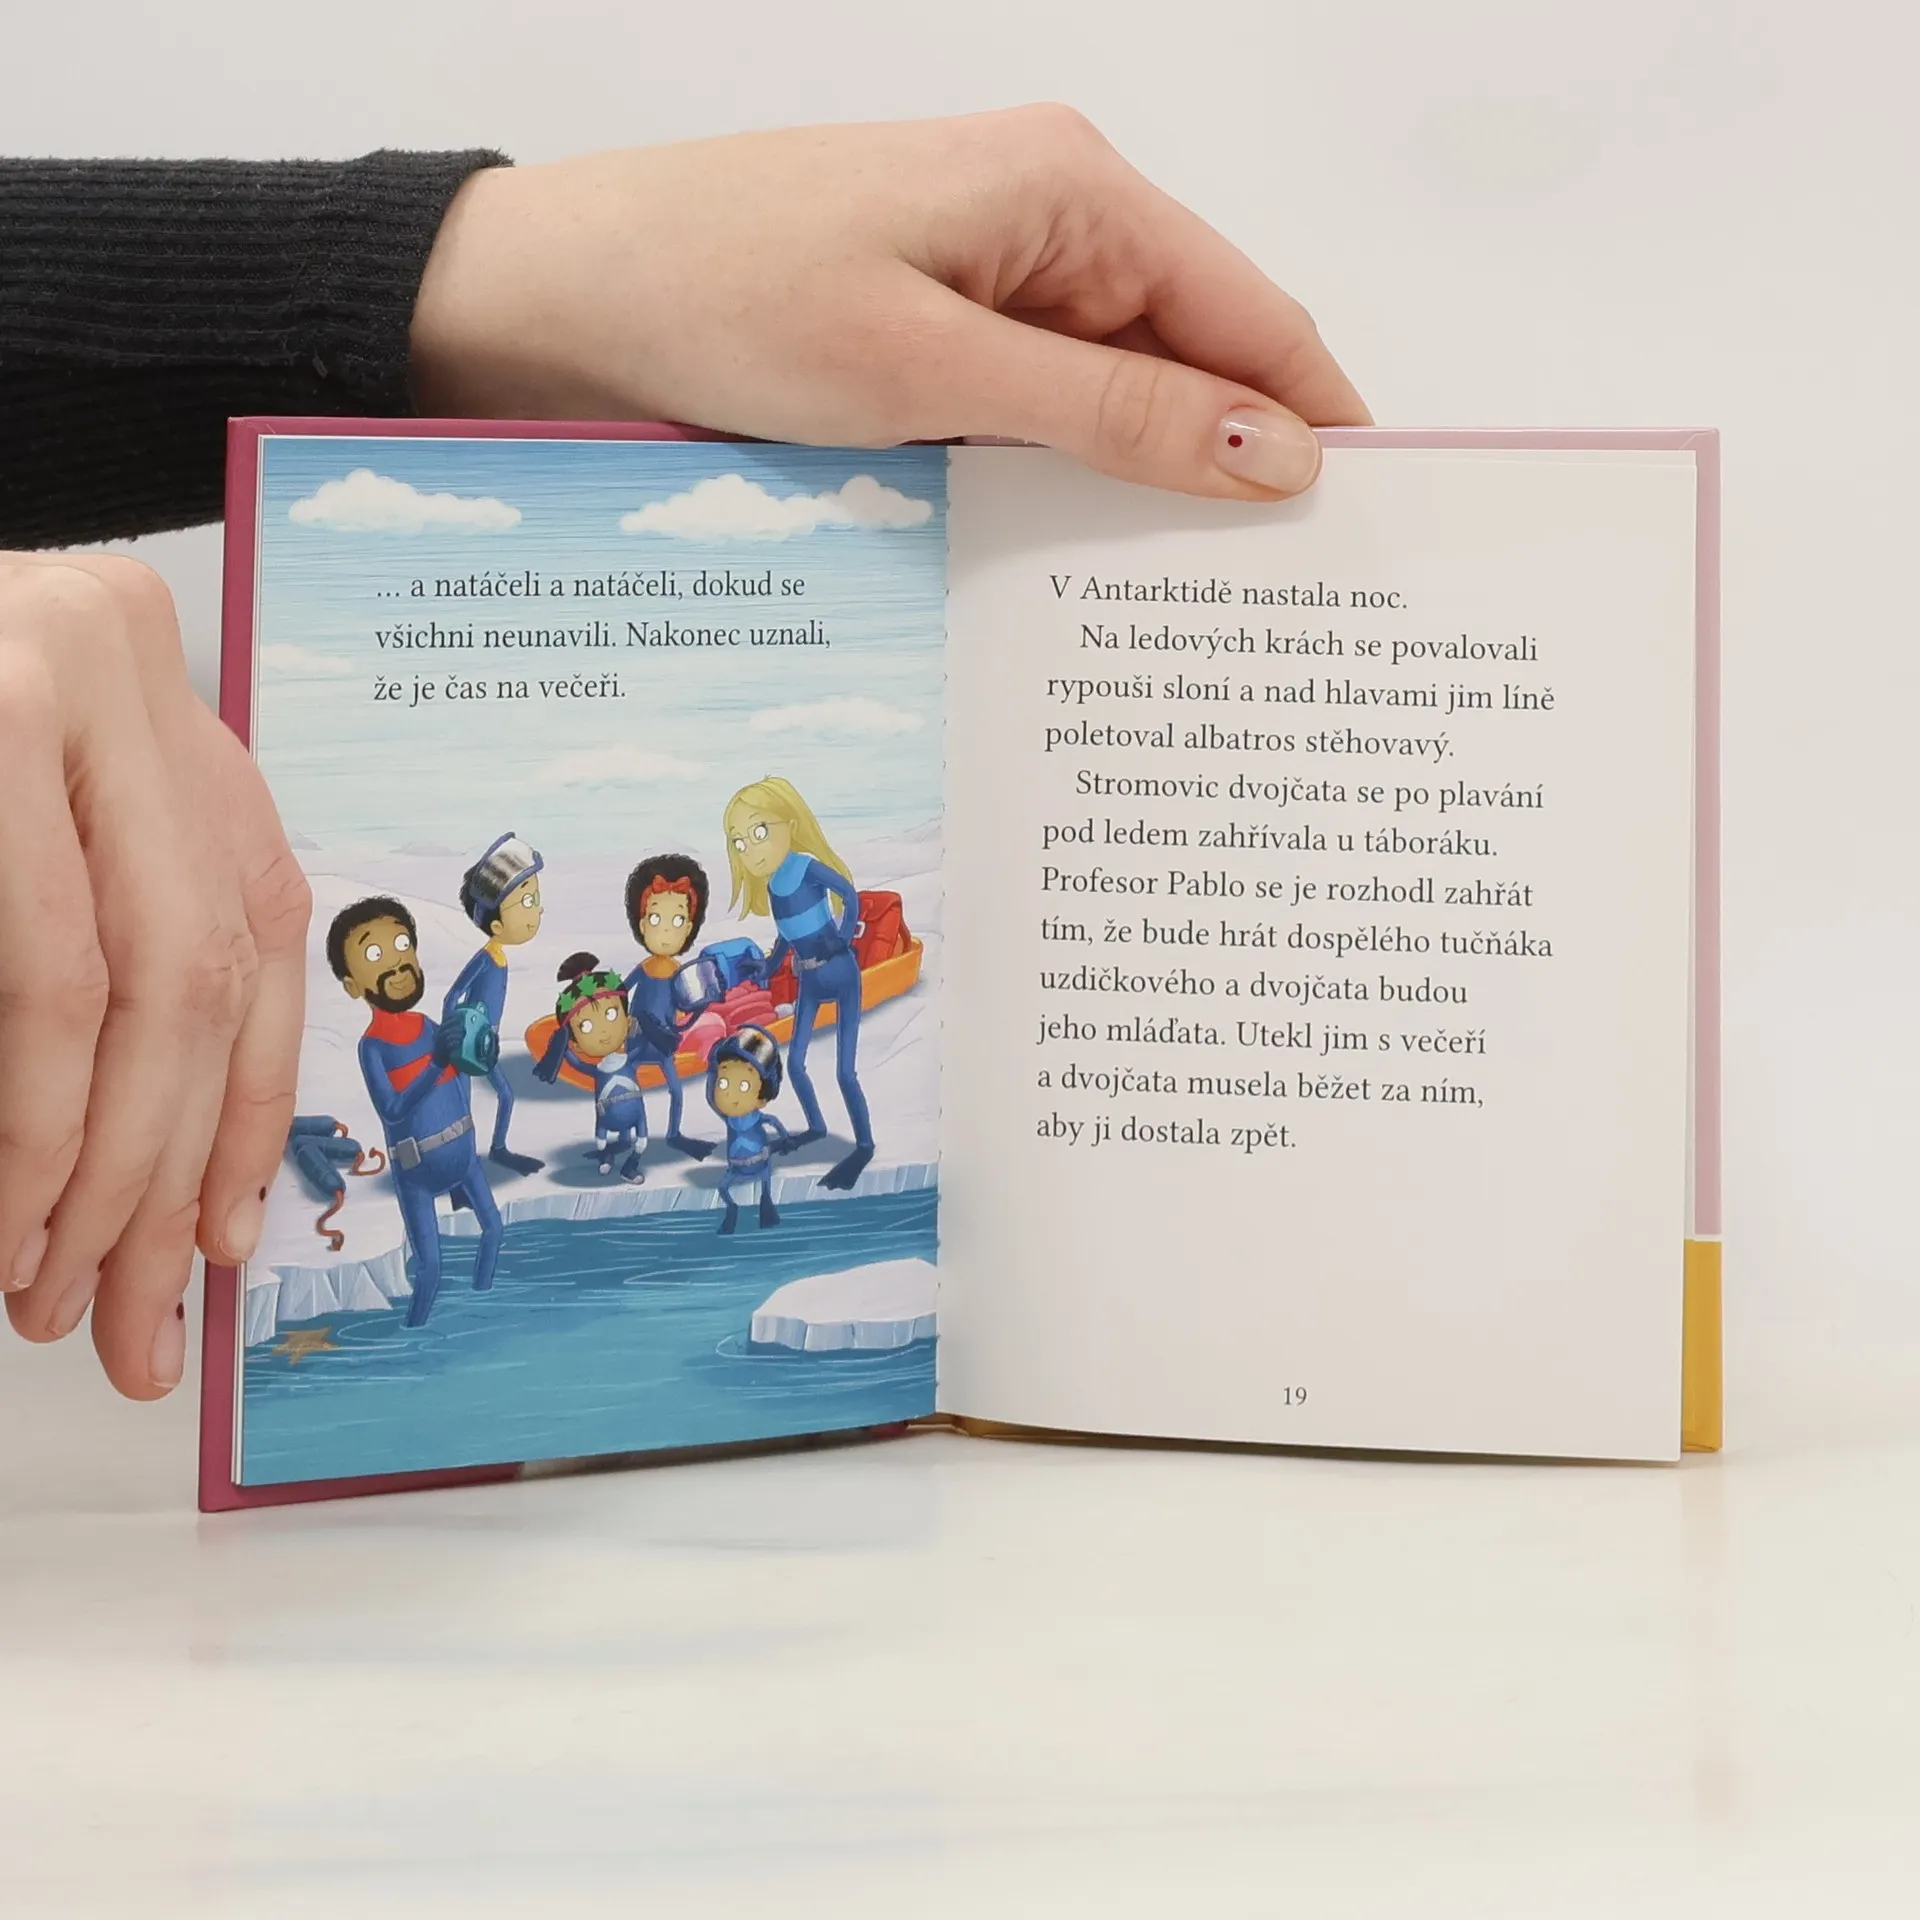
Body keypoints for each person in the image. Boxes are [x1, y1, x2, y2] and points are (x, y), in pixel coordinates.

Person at [0, 107, 1367, 1399]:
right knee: (559, 1151)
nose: (730, 868)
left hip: (770, 1015)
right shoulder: (527, 985)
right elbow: (539, 1025)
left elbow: (790, 952)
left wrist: (485, 277)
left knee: (780, 1078)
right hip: (572, 1083)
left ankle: (803, 1155)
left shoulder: (792, 900)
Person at [326, 897, 504, 1328]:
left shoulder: (427, 1025)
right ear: (352, 985)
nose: (397, 962)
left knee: (495, 1230)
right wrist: (437, 1065)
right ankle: (416, 1334)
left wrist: (478, 1052)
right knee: (431, 1267)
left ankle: (486, 1307)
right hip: (417, 1173)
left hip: (464, 1158)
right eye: (374, 953)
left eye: (403, 944)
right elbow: (391, 1109)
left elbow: (463, 1074)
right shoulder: (373, 1047)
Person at [724, 778, 873, 1191]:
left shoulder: (805, 867)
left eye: (758, 832)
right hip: (808, 977)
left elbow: (848, 893)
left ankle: (864, 1145)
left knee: (845, 1072)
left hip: (841, 972)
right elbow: (785, 938)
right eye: (740, 843)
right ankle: (816, 1127)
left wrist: (843, 937)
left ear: (789, 824)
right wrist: (766, 968)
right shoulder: (773, 886)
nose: (750, 850)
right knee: (794, 1065)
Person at [444, 831, 547, 1176]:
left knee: (505, 1095)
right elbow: (452, 996)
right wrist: (453, 1038)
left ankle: (497, 1149)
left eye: (535, 900)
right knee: (463, 1105)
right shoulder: (486, 958)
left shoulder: (499, 958)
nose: (538, 909)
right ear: (498, 924)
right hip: (468, 1045)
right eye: (527, 902)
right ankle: (463, 1161)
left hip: (486, 1044)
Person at [619, 854, 719, 1159]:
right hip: (637, 1038)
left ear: (688, 927)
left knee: (675, 1089)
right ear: (641, 923)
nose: (664, 931)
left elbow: (688, 1007)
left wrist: (700, 1007)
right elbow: (620, 994)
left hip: (663, 1042)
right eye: (655, 919)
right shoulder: (644, 967)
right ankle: (626, 1135)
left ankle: (674, 1133)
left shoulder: (680, 972)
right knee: (627, 1086)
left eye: (676, 921)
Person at [533, 953, 653, 1182]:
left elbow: (644, 1046)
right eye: (586, 1026)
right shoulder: (600, 1070)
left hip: (637, 1117)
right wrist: (562, 1048)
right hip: (607, 1119)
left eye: (611, 1014)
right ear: (576, 1041)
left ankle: (629, 1167)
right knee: (601, 1142)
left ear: (626, 1018)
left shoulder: (628, 1060)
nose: (604, 1031)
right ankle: (606, 1156)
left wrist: (647, 1027)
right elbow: (577, 1063)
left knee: (641, 1143)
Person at [706, 1028, 793, 1236]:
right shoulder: (730, 1118)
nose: (729, 1094)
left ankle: (766, 1200)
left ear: (762, 1097)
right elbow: (711, 1098)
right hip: (736, 1167)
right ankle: (732, 1208)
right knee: (723, 1188)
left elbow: (774, 1122)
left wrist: (785, 1138)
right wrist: (711, 1071)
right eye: (723, 1083)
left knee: (765, 1183)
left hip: (760, 1161)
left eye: (744, 1086)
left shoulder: (754, 1116)